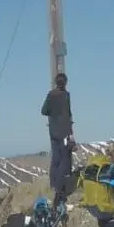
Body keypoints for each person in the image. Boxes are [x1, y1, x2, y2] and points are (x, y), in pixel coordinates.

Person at [40, 72, 75, 204]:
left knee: (56, 158)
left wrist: (53, 113)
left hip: (53, 130)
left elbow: (43, 111)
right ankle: (60, 188)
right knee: (64, 160)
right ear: (65, 82)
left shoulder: (51, 95)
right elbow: (68, 114)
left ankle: (53, 184)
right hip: (64, 131)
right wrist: (70, 132)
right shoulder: (66, 95)